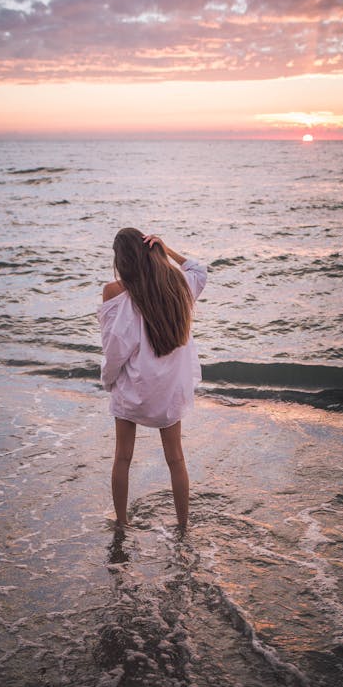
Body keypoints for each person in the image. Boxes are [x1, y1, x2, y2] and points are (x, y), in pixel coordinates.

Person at [98, 227, 207, 530]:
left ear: (121, 260)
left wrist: (109, 382)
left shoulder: (115, 293)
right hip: (169, 391)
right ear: (148, 251)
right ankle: (183, 526)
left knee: (123, 458)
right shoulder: (176, 285)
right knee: (175, 459)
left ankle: (122, 523)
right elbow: (199, 268)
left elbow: (115, 350)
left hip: (133, 388)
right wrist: (166, 249)